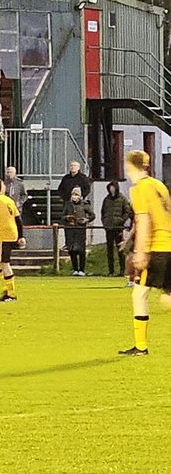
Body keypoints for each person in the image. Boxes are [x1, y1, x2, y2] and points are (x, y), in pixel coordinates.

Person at [120, 149, 171, 356]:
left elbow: (144, 220)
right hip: (169, 245)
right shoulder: (158, 185)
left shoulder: (139, 188)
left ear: (131, 165)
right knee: (166, 298)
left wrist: (141, 251)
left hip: (157, 248)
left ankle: (141, 346)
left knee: (139, 294)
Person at [102, 179, 134, 278]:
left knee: (120, 249)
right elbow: (103, 212)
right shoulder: (106, 199)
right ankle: (110, 270)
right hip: (108, 228)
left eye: (113, 187)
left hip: (118, 228)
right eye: (110, 188)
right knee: (109, 250)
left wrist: (121, 220)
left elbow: (127, 211)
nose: (112, 189)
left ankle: (121, 270)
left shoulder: (122, 198)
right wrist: (105, 222)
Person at [63, 186, 95, 276]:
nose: (74, 196)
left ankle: (82, 269)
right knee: (72, 250)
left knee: (81, 251)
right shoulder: (68, 205)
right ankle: (75, 269)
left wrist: (86, 220)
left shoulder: (84, 205)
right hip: (70, 230)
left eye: (76, 195)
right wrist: (67, 218)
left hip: (80, 230)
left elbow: (92, 215)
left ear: (79, 196)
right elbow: (62, 216)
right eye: (73, 194)